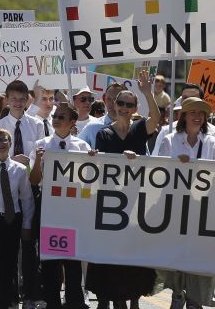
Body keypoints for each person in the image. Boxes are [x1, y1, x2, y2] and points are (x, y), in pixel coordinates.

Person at [87, 70, 160, 309]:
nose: (124, 107)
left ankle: (135, 299)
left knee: (134, 252)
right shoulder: (103, 134)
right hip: (111, 202)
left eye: (129, 104)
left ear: (134, 107)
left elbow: (155, 118)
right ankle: (111, 298)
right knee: (111, 253)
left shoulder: (139, 129)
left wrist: (148, 92)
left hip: (136, 200)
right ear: (114, 105)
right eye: (121, 103)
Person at [155, 97, 215, 309]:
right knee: (176, 255)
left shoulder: (212, 142)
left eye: (201, 113)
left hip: (202, 210)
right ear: (184, 116)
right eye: (193, 112)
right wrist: (176, 165)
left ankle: (195, 299)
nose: (197, 116)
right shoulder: (170, 140)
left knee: (198, 256)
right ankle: (177, 293)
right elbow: (158, 171)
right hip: (175, 209)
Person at [29, 103, 91, 309]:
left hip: (73, 209)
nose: (56, 119)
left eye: (62, 117)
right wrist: (38, 160)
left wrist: (93, 161)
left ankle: (74, 301)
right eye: (55, 116)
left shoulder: (82, 147)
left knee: (73, 259)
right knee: (50, 260)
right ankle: (52, 302)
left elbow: (90, 179)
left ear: (73, 122)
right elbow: (34, 180)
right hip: (49, 209)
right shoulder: (41, 144)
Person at [0, 129, 35, 309]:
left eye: (4, 139)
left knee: (11, 261)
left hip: (13, 219)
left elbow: (26, 198)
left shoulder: (19, 170)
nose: (1, 143)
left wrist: (26, 224)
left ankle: (11, 299)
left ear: (10, 143)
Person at [78, 82, 126, 148]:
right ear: (104, 99)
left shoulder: (135, 129)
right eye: (109, 99)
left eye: (116, 99)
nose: (112, 103)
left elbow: (144, 157)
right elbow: (76, 152)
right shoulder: (92, 127)